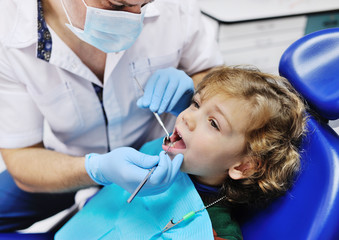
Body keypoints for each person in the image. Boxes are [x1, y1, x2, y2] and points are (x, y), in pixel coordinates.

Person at [0, 0, 223, 231]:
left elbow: (211, 73)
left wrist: (195, 96)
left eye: (146, 4)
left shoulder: (175, 6)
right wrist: (97, 169)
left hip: (158, 154)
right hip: (71, 162)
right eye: (117, 5)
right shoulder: (7, 30)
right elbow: (22, 155)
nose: (136, 16)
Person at [55, 66, 308, 239]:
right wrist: (98, 169)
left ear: (243, 166)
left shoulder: (214, 231)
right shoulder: (157, 152)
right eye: (196, 103)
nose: (186, 117)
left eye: (213, 123)